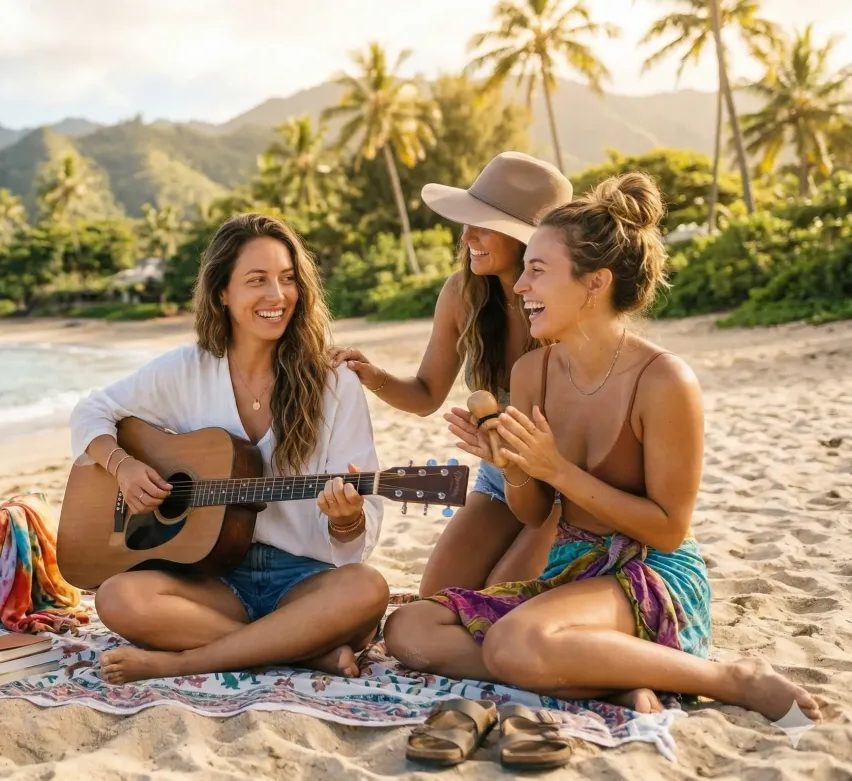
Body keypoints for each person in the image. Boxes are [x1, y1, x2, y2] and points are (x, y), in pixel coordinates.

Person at [383, 173, 821, 725]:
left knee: (515, 641)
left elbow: (666, 528)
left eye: (537, 271)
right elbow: (536, 513)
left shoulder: (664, 381)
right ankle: (608, 681)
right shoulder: (531, 372)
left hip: (648, 572)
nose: (520, 288)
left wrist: (557, 469)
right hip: (572, 568)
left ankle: (731, 678)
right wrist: (514, 469)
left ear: (595, 284)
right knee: (411, 627)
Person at [72, 213, 390, 685]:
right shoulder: (186, 370)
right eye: (256, 280)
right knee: (117, 598)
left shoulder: (334, 381)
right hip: (213, 579)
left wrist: (348, 521)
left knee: (368, 589)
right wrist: (123, 467)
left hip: (304, 578)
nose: (276, 296)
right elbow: (91, 411)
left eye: (287, 279)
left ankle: (186, 661)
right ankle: (297, 648)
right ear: (222, 292)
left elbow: (359, 536)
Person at [329, 151, 573, 595]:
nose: (467, 237)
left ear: (522, 237)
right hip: (499, 479)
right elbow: (425, 395)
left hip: (563, 483)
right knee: (435, 599)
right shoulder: (462, 293)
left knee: (500, 600)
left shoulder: (565, 300)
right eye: (467, 222)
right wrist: (373, 375)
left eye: (483, 225)